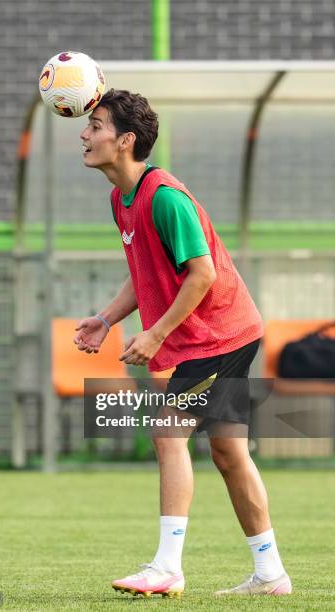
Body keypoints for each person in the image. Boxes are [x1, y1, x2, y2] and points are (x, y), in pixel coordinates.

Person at [74, 89, 291, 598]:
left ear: (126, 141)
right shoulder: (120, 198)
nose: (84, 134)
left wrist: (155, 333)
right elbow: (147, 270)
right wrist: (106, 319)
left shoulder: (165, 197)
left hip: (221, 334)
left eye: (96, 125)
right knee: (229, 454)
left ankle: (167, 566)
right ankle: (270, 573)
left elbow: (201, 274)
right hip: (224, 333)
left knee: (168, 430)